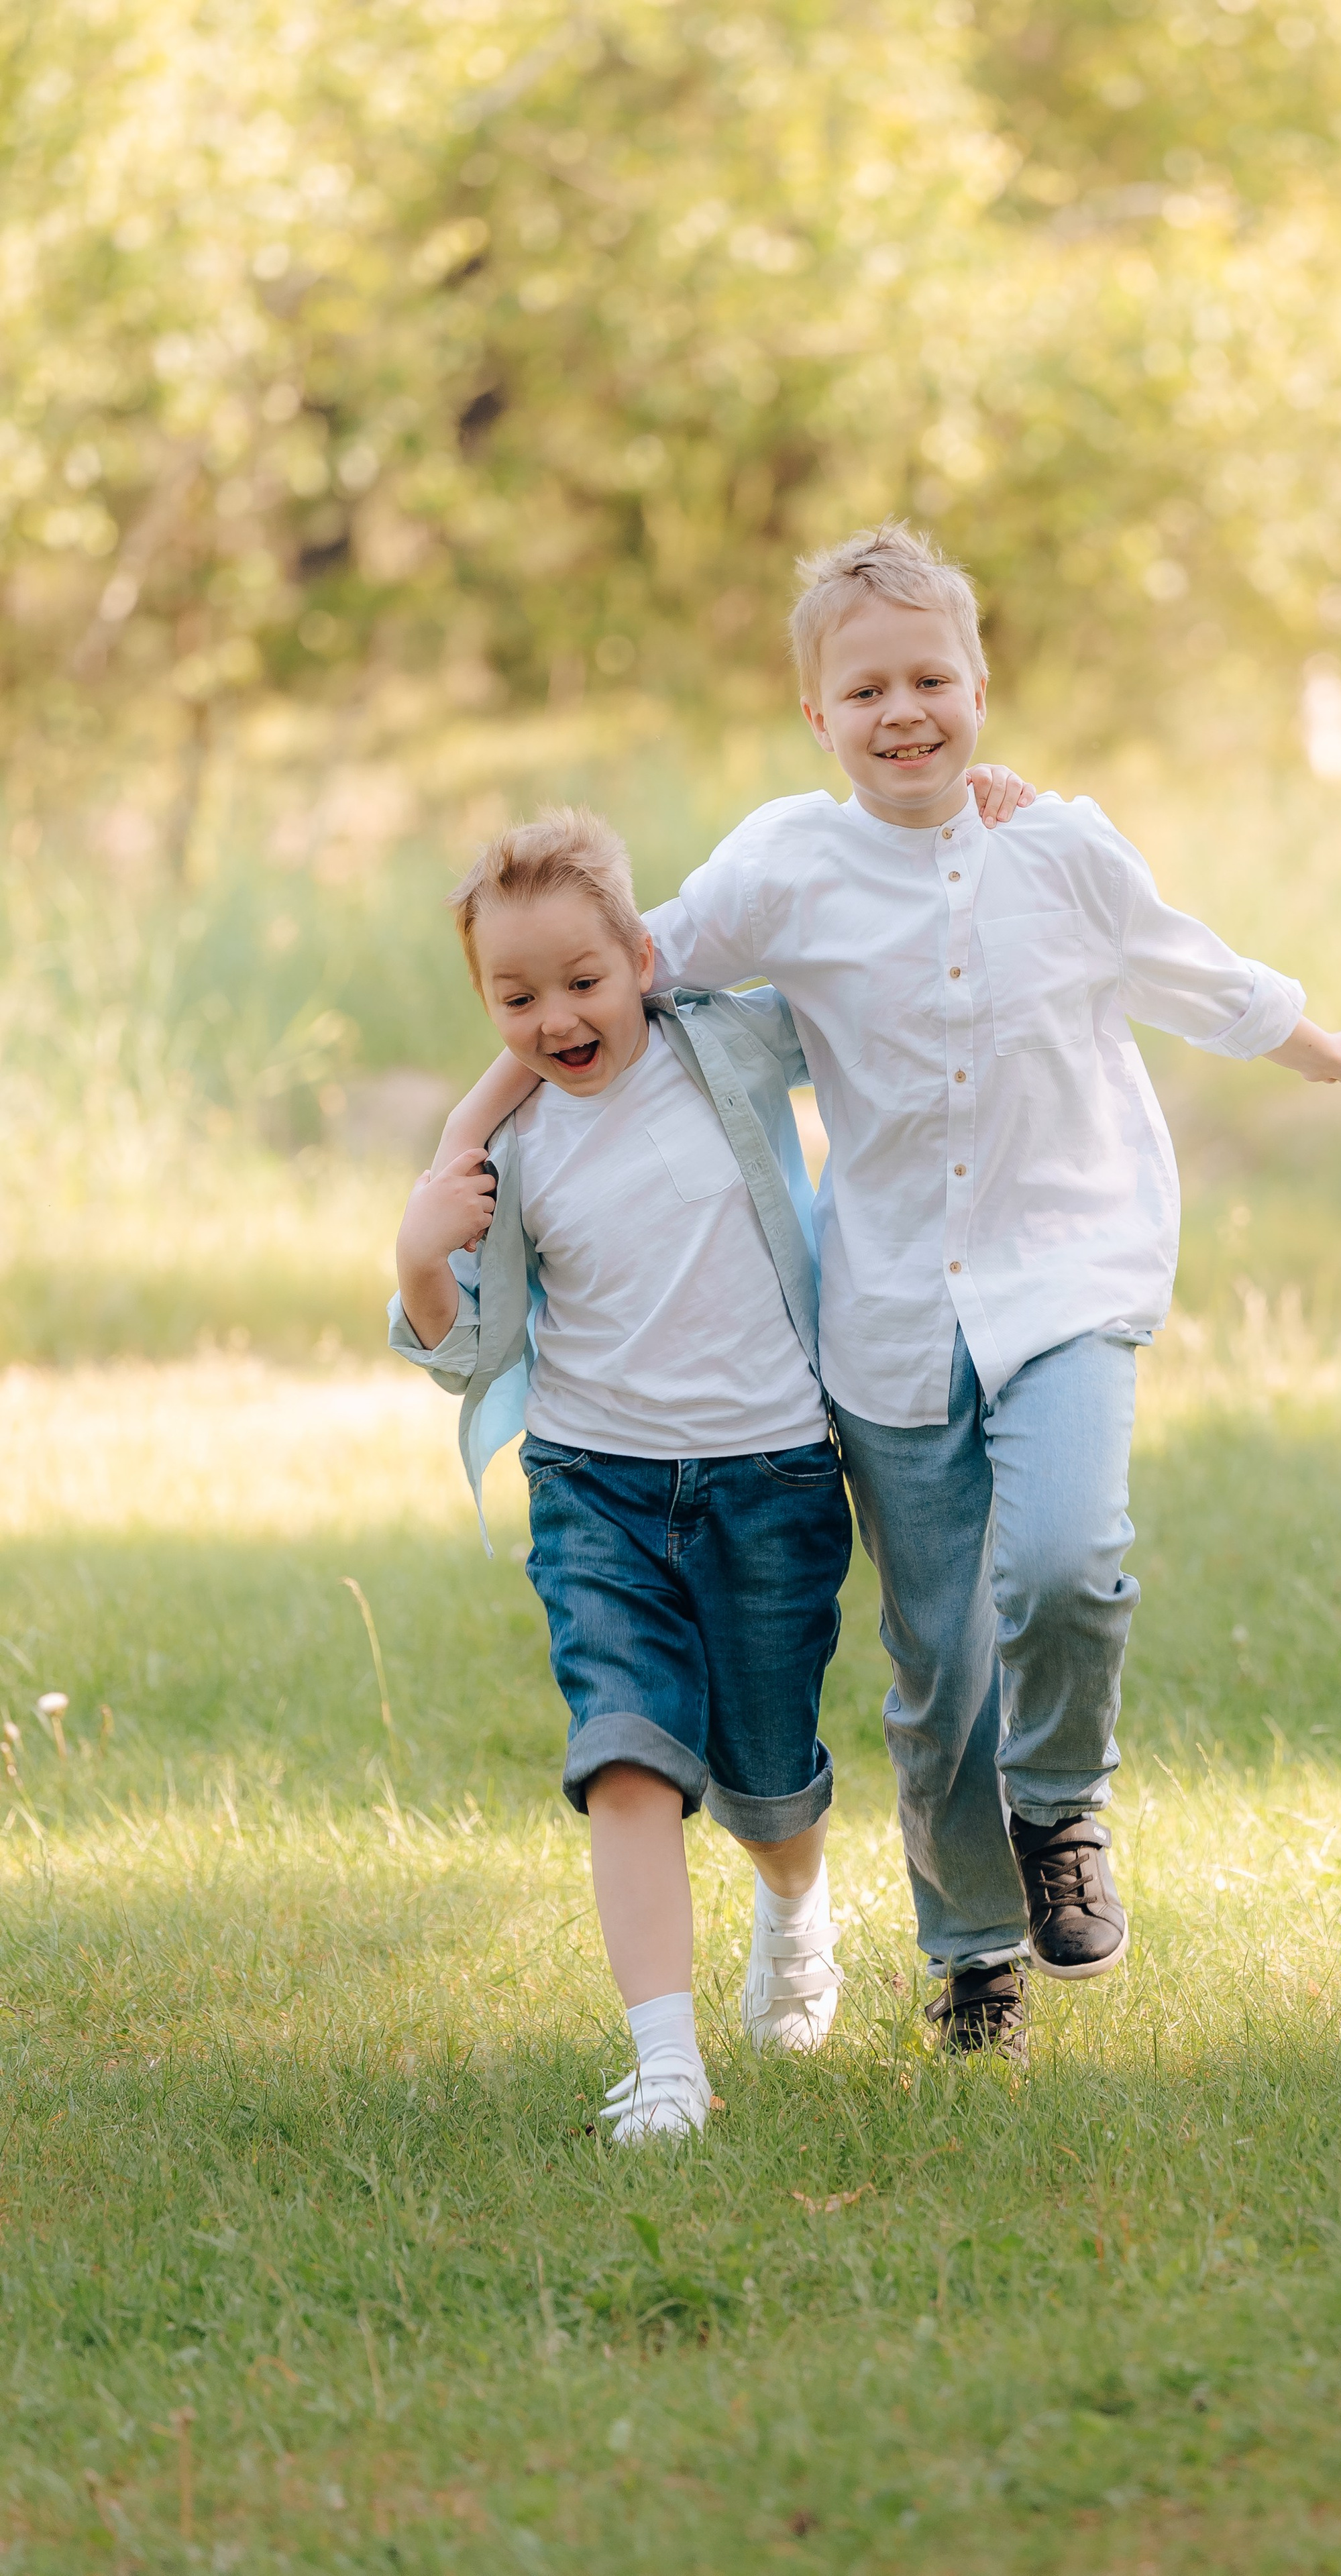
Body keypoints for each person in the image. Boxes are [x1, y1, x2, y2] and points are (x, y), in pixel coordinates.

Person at [445, 523, 1341, 2059]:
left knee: (1070, 1561)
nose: (904, 711)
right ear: (815, 716)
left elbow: (1183, 963)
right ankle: (971, 1960)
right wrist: (465, 1130)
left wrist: (1314, 1040)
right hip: (885, 1312)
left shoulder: (1059, 845)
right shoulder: (785, 863)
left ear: (977, 683)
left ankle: (1062, 1805)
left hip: (1064, 1270)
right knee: (934, 1659)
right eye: (866, 687)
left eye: (931, 678)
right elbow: (615, 973)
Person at [389, 806, 853, 2143]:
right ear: (485, 1003)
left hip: (768, 1476)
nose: (554, 1018)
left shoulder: (724, 1043)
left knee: (767, 1775)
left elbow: (866, 998)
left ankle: (791, 1907)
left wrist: (965, 824)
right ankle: (665, 2068)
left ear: (641, 959)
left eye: (581, 982)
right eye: (515, 996)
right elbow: (461, 1344)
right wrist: (421, 1254)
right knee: (627, 1761)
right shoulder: (506, 1156)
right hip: (595, 1487)